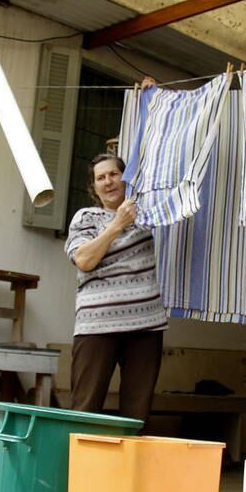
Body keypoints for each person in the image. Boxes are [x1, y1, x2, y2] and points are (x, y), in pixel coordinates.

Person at [64, 153, 166, 420]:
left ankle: (127, 464)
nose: (108, 182)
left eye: (114, 174)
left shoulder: (149, 216)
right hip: (96, 325)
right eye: (101, 177)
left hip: (146, 324)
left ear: (126, 179)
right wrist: (117, 224)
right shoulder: (86, 217)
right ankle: (80, 463)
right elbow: (84, 260)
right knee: (85, 407)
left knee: (137, 412)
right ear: (94, 187)